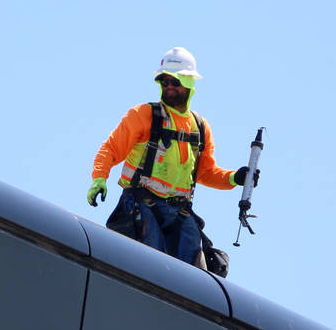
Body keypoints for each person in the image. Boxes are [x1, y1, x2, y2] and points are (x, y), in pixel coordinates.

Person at [87, 47, 256, 268]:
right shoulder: (144, 115)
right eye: (164, 82)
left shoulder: (200, 127)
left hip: (180, 213)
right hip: (142, 204)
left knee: (197, 276)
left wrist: (235, 178)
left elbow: (205, 173)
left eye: (175, 82)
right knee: (149, 268)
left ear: (189, 83)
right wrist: (99, 178)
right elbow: (111, 148)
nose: (169, 87)